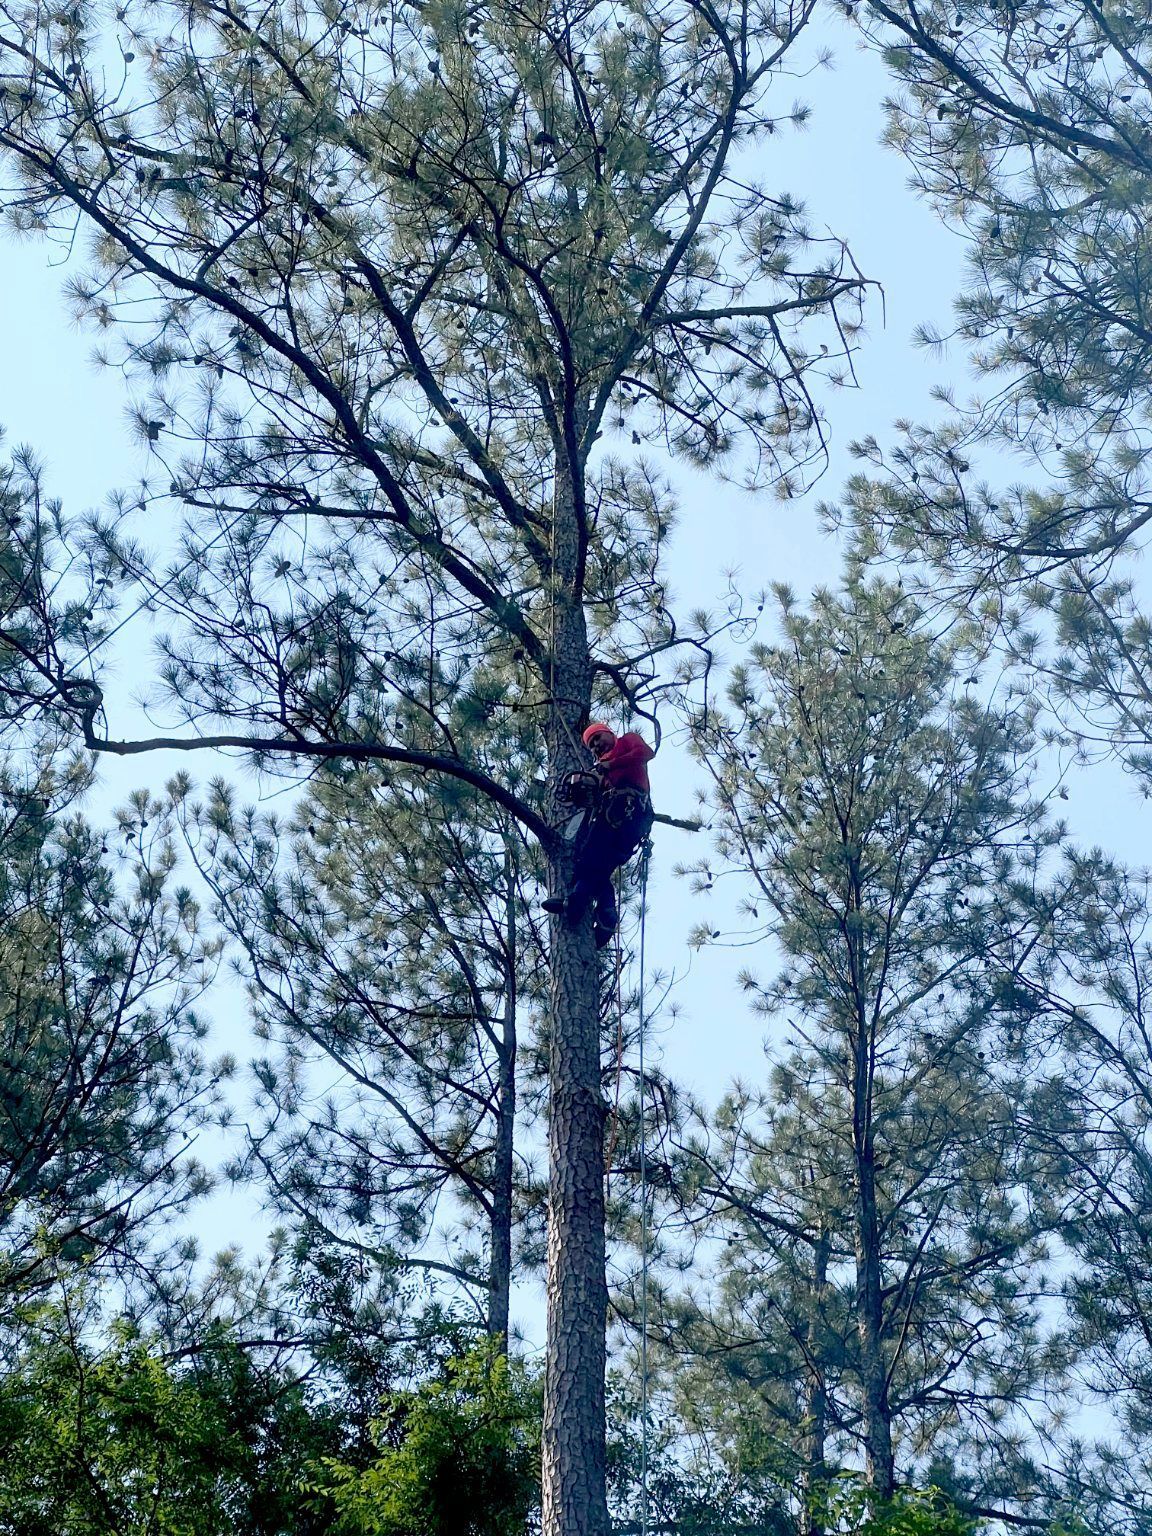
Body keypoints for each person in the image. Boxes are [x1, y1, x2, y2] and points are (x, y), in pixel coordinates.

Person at [543, 722, 655, 948]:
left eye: (597, 738)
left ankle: (576, 901)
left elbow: (645, 753)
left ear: (609, 733)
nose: (596, 746)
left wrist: (610, 764)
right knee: (597, 866)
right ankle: (606, 915)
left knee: (591, 858)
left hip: (628, 811)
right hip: (620, 819)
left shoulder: (627, 742)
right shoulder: (602, 772)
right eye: (591, 745)